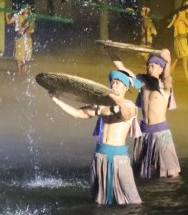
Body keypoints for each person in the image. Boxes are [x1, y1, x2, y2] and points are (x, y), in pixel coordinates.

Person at [49, 70, 143, 205]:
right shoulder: (102, 106)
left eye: (118, 83)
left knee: (132, 200)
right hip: (100, 155)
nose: (114, 85)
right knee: (97, 199)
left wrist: (119, 103)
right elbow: (77, 113)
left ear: (125, 88)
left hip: (118, 158)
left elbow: (126, 115)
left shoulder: (130, 106)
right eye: (112, 82)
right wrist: (57, 100)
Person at [107, 47, 181, 178]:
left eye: (152, 66)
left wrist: (168, 60)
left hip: (160, 133)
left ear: (161, 69)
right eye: (148, 65)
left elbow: (167, 77)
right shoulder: (142, 83)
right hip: (143, 132)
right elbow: (122, 68)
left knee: (171, 172)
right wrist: (109, 50)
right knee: (140, 172)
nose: (149, 68)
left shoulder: (165, 86)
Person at [166, 1, 188, 81]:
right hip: (179, 38)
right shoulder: (178, 14)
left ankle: (166, 75)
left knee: (177, 59)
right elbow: (175, 25)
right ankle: (187, 76)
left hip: (184, 39)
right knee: (185, 56)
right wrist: (179, 17)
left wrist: (183, 18)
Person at [5, 4, 36, 75]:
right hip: (20, 38)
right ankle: (19, 70)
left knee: (26, 55)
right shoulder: (17, 16)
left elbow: (31, 27)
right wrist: (7, 14)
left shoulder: (30, 17)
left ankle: (23, 69)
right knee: (19, 55)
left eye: (28, 9)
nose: (26, 10)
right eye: (25, 8)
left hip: (27, 38)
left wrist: (26, 30)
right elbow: (8, 22)